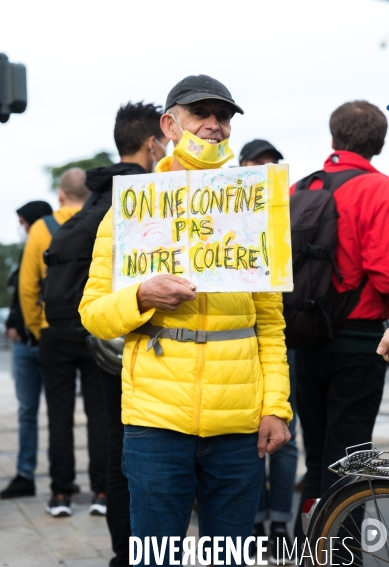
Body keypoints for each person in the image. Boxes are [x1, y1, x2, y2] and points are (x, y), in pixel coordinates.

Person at [79, 74, 292, 566]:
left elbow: (271, 325)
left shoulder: (253, 208)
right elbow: (94, 315)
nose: (216, 127)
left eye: (224, 117)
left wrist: (275, 406)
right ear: (170, 125)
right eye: (203, 115)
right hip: (156, 424)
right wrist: (140, 295)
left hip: (239, 426)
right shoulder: (131, 212)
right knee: (156, 558)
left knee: (230, 557)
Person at [292, 101, 389, 547]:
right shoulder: (379, 190)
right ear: (380, 142)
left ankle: (306, 545)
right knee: (350, 459)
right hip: (359, 342)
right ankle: (341, 553)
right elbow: (383, 269)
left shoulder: (299, 189)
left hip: (305, 338)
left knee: (316, 460)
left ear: (333, 139)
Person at [83, 102, 167, 567]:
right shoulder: (148, 195)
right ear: (152, 142)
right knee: (139, 461)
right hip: (138, 344)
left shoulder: (95, 195)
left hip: (101, 345)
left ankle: (123, 551)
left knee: (118, 450)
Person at [19, 168, 107, 517]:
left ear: (60, 194)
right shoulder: (102, 220)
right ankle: (101, 492)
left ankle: (60, 495)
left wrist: (35, 327)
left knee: (59, 415)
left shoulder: (42, 228)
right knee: (99, 415)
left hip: (53, 332)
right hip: (94, 329)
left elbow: (27, 287)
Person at [239, 141, 298, 562]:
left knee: (281, 432)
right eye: (255, 165)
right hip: (240, 339)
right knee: (246, 437)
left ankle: (279, 520)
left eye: (269, 166)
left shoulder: (285, 209)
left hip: (281, 331)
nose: (261, 172)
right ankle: (258, 520)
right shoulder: (223, 207)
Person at [0, 201, 53, 499]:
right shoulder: (26, 251)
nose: (21, 229)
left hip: (46, 340)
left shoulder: (56, 244)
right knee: (27, 412)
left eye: (23, 223)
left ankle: (62, 477)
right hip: (24, 344)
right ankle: (25, 474)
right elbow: (19, 295)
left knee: (58, 414)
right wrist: (12, 322)